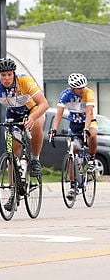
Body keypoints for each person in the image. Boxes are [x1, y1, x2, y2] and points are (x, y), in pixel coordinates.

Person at [0, 57, 49, 211]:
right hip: (13, 115)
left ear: (14, 74)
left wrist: (31, 118)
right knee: (11, 152)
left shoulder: (25, 81)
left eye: (9, 75)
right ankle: (13, 192)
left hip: (32, 110)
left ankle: (35, 159)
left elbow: (44, 104)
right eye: (3, 75)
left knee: (37, 123)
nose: (6, 78)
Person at [48, 73, 98, 201]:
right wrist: (54, 129)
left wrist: (86, 128)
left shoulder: (89, 93)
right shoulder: (65, 95)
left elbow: (89, 113)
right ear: (72, 88)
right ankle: (73, 185)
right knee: (72, 153)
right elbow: (58, 114)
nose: (82, 90)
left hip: (88, 122)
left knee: (92, 134)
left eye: (83, 87)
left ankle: (91, 159)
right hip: (74, 125)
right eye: (79, 88)